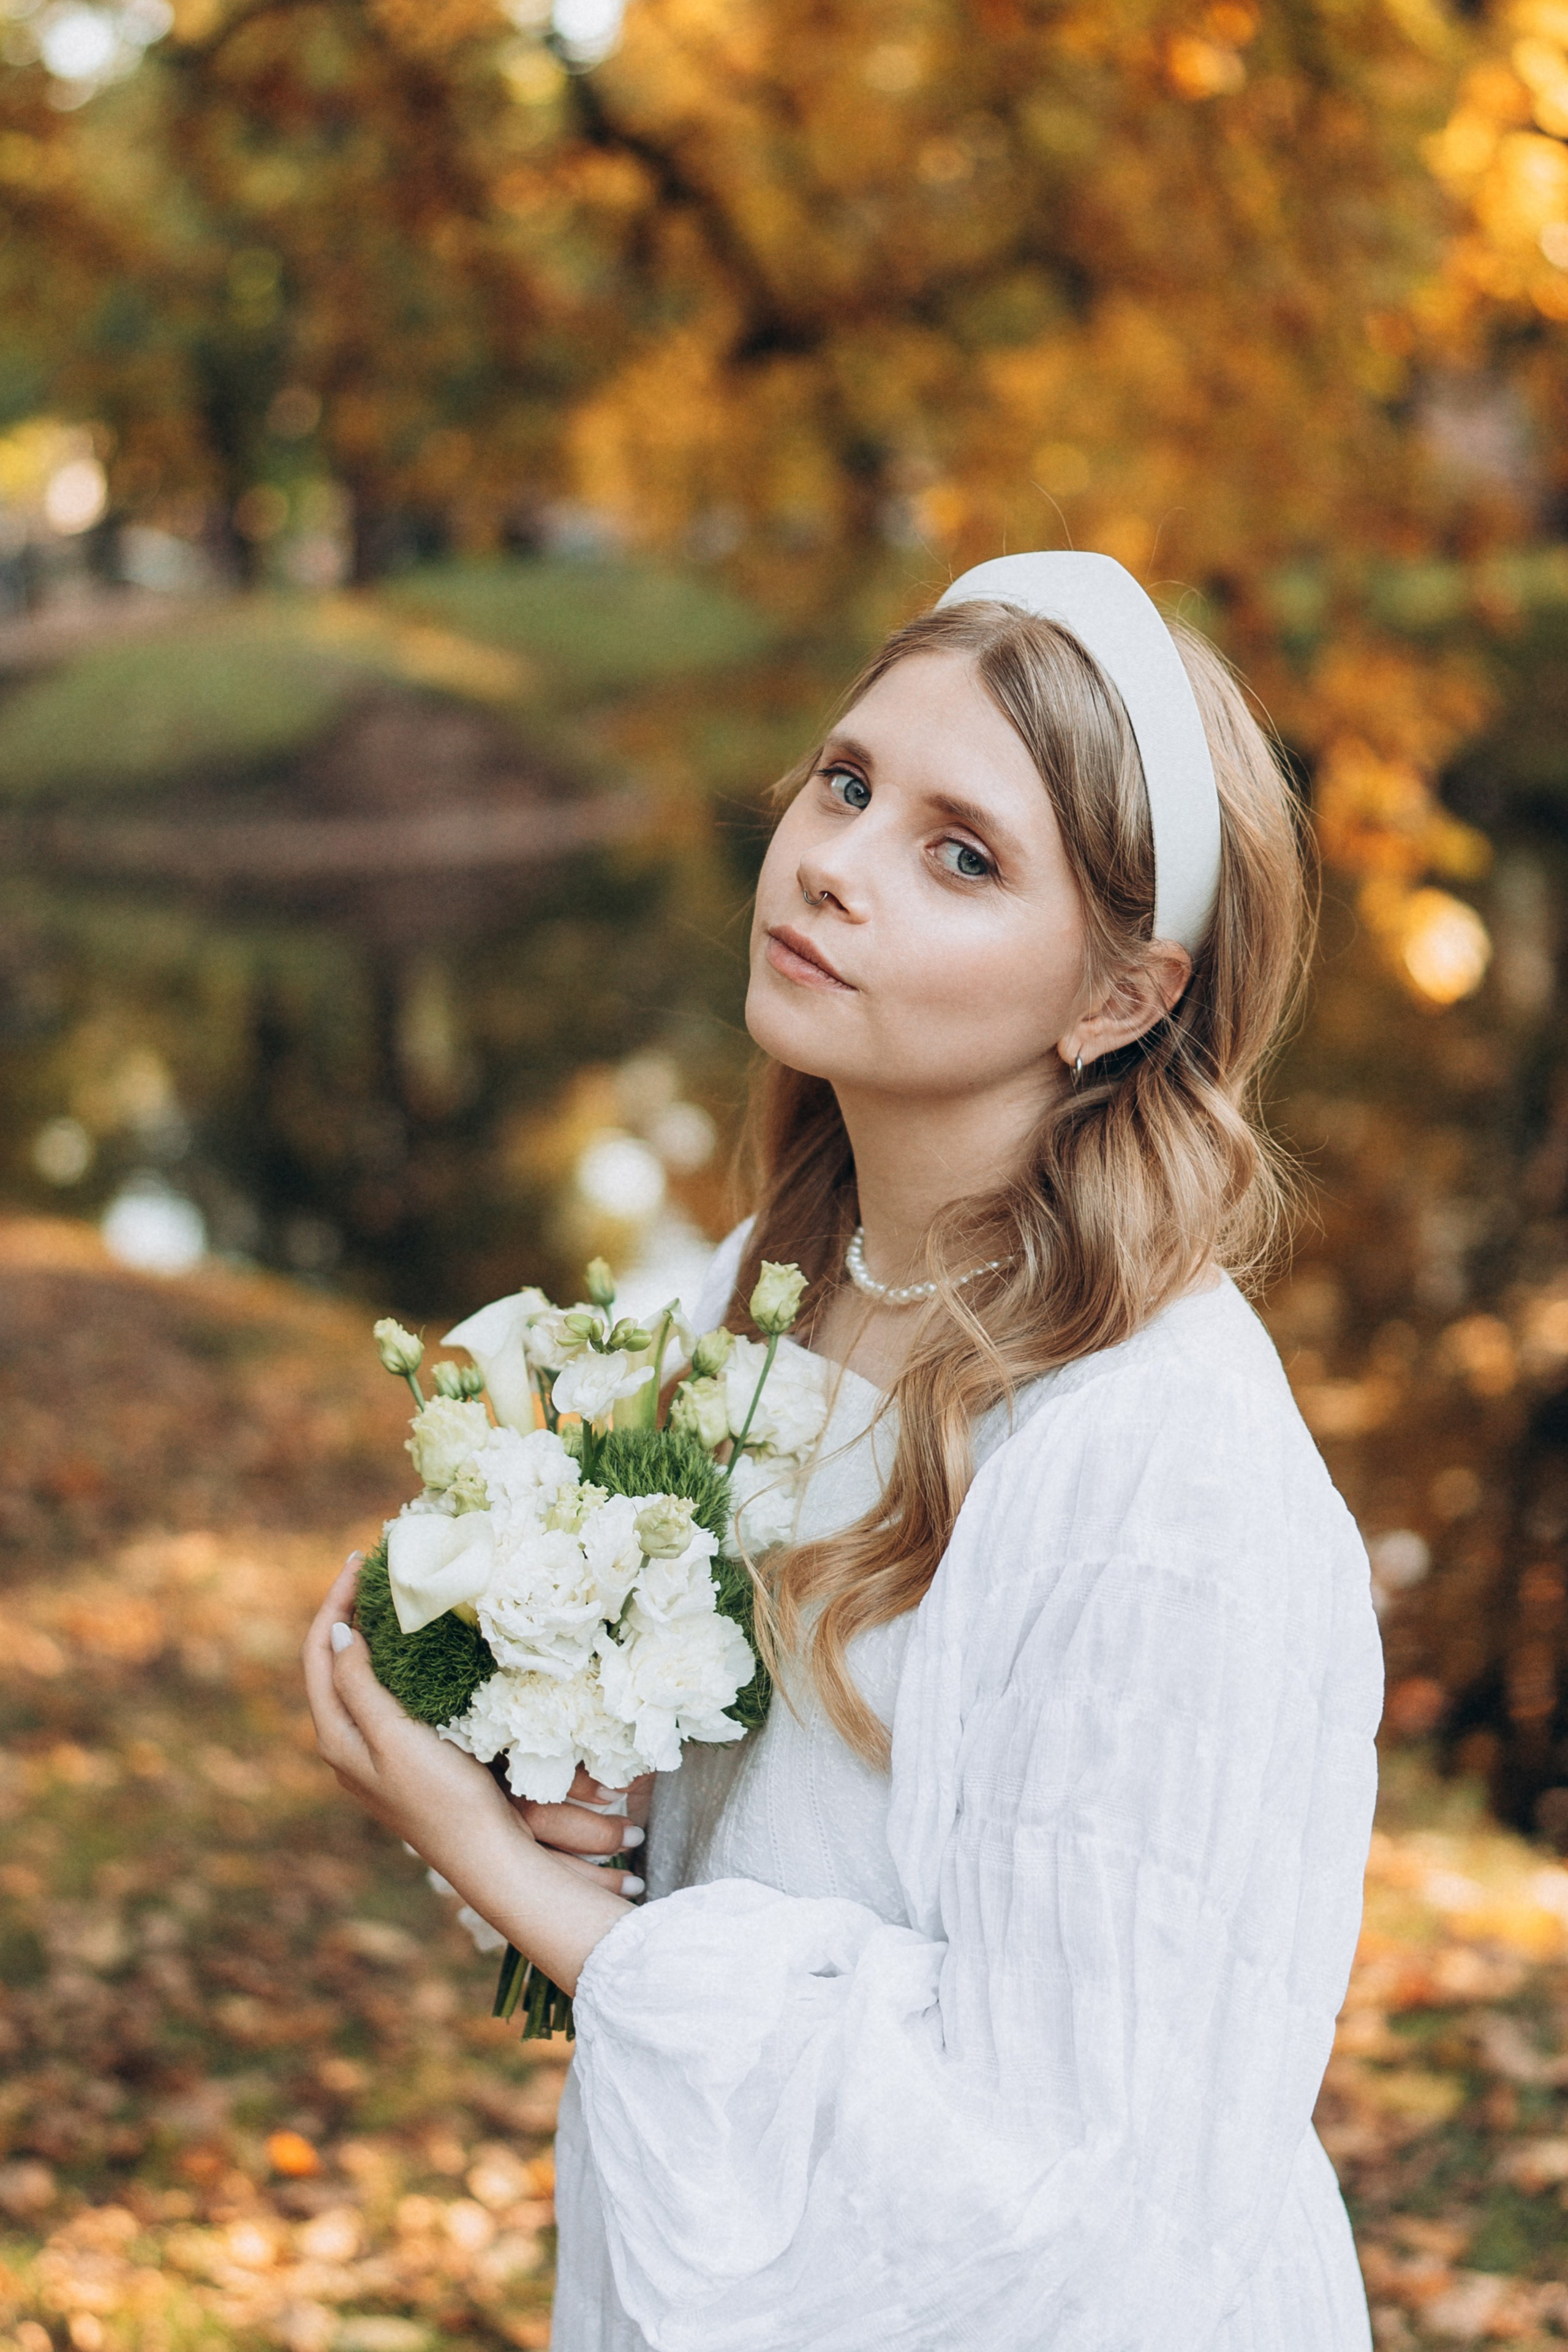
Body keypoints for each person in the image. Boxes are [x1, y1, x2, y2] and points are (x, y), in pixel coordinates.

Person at [305, 551, 1384, 2351]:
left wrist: (518, 1889)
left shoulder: (1163, 1476)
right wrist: (567, 1782)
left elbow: (1057, 2185)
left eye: (962, 856)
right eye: (849, 782)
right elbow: (747, 1859)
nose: (834, 861)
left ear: (1120, 999)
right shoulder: (763, 1291)